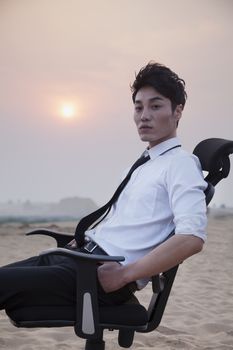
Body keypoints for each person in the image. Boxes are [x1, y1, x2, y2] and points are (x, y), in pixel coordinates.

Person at [0, 62, 207, 311]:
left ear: (177, 111)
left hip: (101, 277)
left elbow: (192, 238)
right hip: (82, 258)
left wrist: (125, 275)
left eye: (156, 106)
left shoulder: (181, 164)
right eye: (138, 107)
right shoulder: (144, 164)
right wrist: (82, 241)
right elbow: (125, 226)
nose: (144, 115)